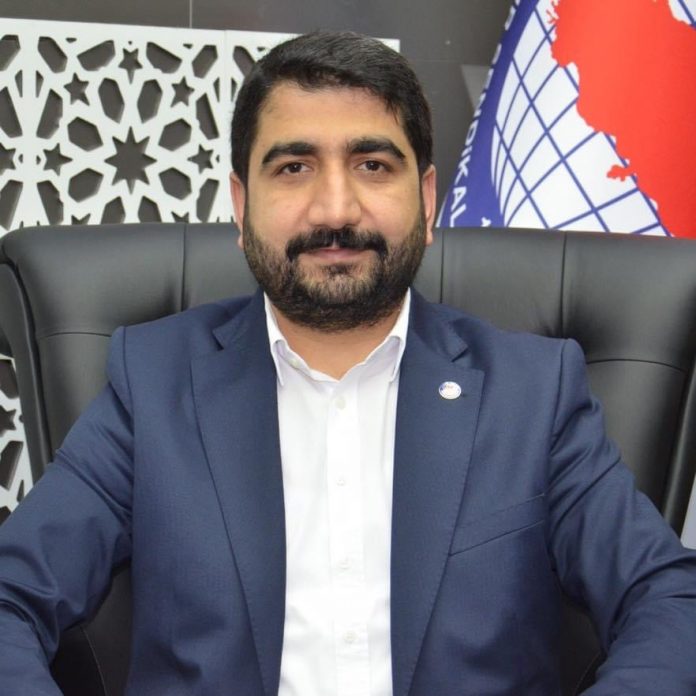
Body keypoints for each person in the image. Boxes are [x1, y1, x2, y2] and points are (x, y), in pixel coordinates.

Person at [1, 31, 696, 696]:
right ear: (241, 206)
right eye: (293, 167)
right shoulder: (154, 384)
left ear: (426, 200)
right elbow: (11, 595)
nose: (335, 208)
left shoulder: (533, 394)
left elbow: (668, 599)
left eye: (372, 165)